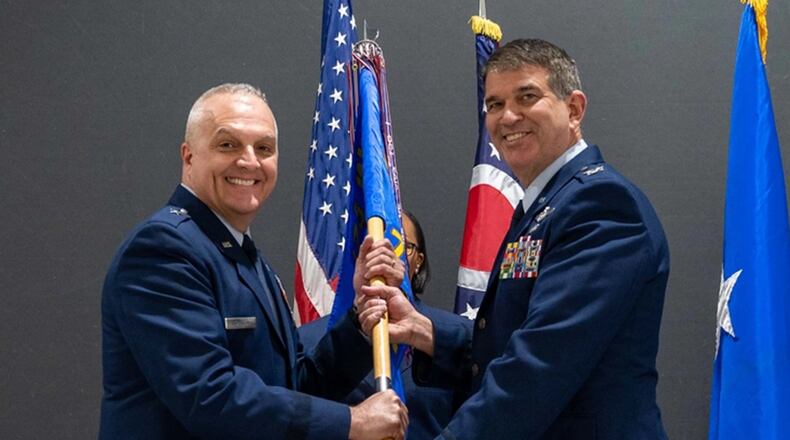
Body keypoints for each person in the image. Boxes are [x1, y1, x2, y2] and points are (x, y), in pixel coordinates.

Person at [358, 39, 670, 439]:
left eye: (527, 97)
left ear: (574, 109)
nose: (507, 117)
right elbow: (509, 339)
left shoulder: (601, 205)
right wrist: (425, 330)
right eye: (494, 104)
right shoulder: (545, 204)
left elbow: (539, 365)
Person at [100, 83, 408, 440]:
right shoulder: (162, 249)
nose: (249, 161)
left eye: (264, 148)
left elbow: (298, 386)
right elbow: (211, 396)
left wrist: (360, 321)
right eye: (227, 144)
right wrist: (352, 423)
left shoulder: (245, 259)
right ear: (188, 157)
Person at [299, 210, 470, 439]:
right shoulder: (311, 340)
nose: (384, 259)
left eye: (399, 246)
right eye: (373, 249)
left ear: (418, 260)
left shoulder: (453, 337)